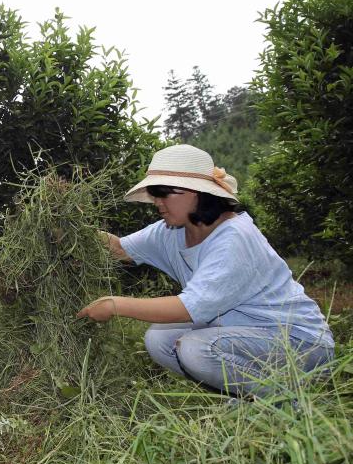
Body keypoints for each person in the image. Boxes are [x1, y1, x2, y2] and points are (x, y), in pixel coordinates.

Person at [77, 144, 334, 398]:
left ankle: (284, 400)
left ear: (197, 193)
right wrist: (70, 227)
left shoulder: (233, 238)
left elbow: (186, 309)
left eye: (163, 192)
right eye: (154, 193)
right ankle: (245, 394)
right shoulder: (172, 230)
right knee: (159, 340)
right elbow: (119, 249)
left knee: (197, 349)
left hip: (301, 345)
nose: (157, 202)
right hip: (250, 337)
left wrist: (114, 304)